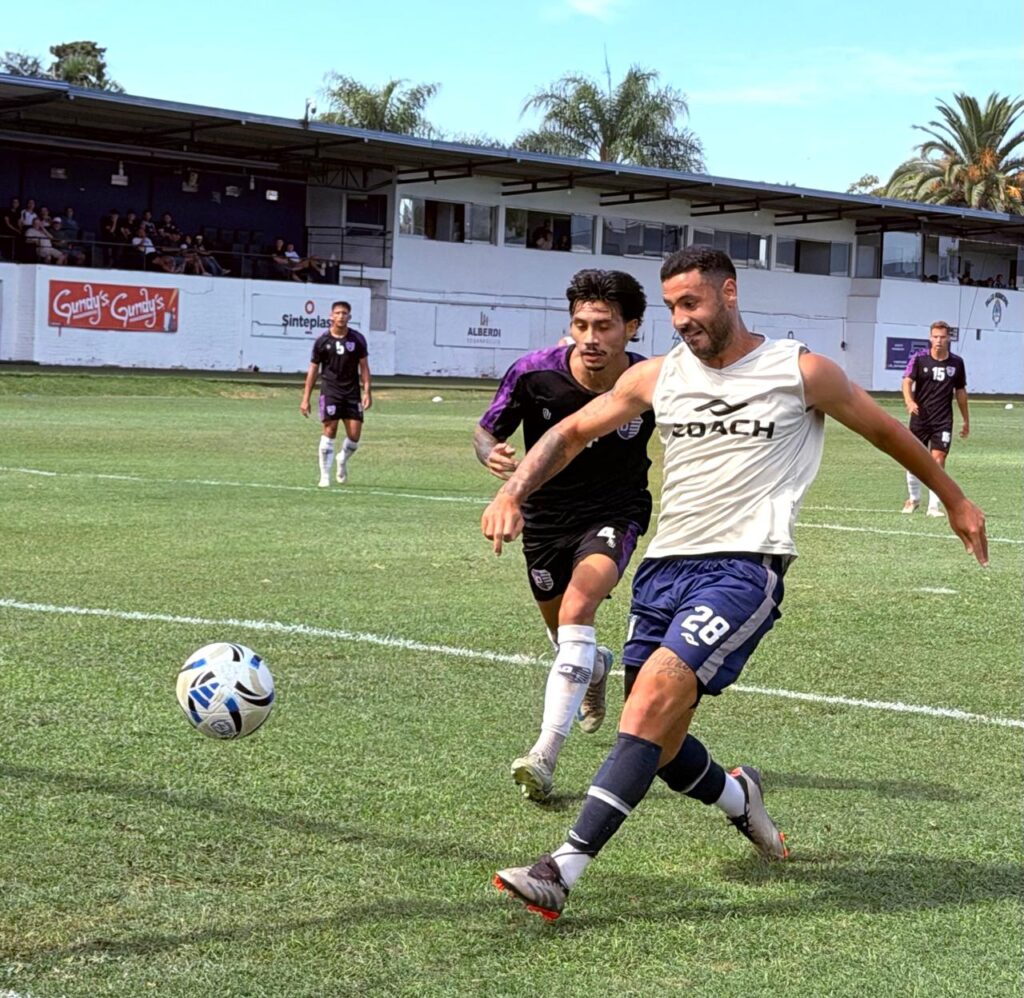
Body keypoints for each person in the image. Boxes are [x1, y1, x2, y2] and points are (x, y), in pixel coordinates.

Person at [483, 247, 988, 921]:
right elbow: (571, 433)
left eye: (691, 303)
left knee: (651, 701)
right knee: (658, 745)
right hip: (664, 568)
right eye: (672, 308)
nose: (681, 319)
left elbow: (885, 430)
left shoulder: (799, 370)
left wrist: (954, 499)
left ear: (729, 293)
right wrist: (513, 490)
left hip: (745, 566)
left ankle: (561, 869)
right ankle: (739, 796)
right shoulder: (657, 376)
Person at [475, 269, 655, 802]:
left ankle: (544, 754)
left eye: (604, 325)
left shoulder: (650, 379)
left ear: (632, 327)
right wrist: (491, 455)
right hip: (544, 518)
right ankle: (595, 666)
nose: (590, 338)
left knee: (579, 608)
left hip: (615, 512)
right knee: (565, 639)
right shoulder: (534, 374)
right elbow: (486, 430)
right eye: (581, 325)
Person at [900, 321, 969, 517]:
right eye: (935, 336)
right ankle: (914, 499)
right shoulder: (919, 359)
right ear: (930, 338)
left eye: (943, 337)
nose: (939, 340)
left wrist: (966, 420)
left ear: (948, 339)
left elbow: (961, 392)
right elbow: (907, 381)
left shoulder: (957, 363)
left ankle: (933, 506)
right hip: (920, 418)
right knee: (913, 459)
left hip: (943, 420)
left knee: (938, 460)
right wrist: (909, 401)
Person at [300, 301, 371, 486]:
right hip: (330, 391)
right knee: (329, 430)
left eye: (344, 313)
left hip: (352, 393)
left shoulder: (357, 339)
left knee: (354, 437)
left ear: (349, 317)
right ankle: (324, 476)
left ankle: (342, 459)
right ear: (331, 316)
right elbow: (313, 370)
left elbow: (364, 367)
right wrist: (306, 398)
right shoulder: (322, 341)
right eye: (338, 313)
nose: (341, 316)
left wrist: (367, 391)